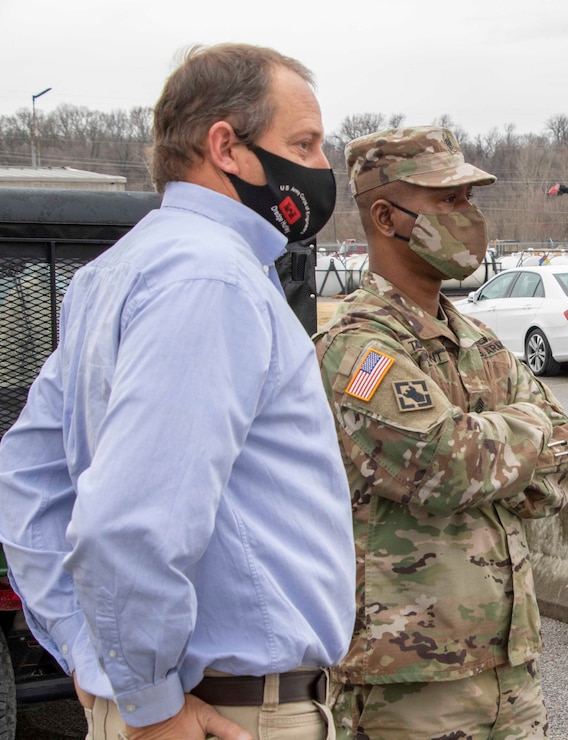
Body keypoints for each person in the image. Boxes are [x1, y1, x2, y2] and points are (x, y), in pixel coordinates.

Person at [0, 44, 356, 740]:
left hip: (187, 703)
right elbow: (128, 524)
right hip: (228, 711)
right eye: (304, 143)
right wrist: (151, 702)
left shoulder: (116, 272)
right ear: (226, 145)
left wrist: (84, 647)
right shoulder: (210, 279)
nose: (320, 169)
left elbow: (26, 479)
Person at [317, 126, 568, 739]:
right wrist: (520, 435)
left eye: (469, 199)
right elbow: (442, 465)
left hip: (509, 670)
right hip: (405, 686)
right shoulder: (358, 345)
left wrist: (495, 445)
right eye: (448, 201)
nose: (469, 217)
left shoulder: (476, 339)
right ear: (386, 216)